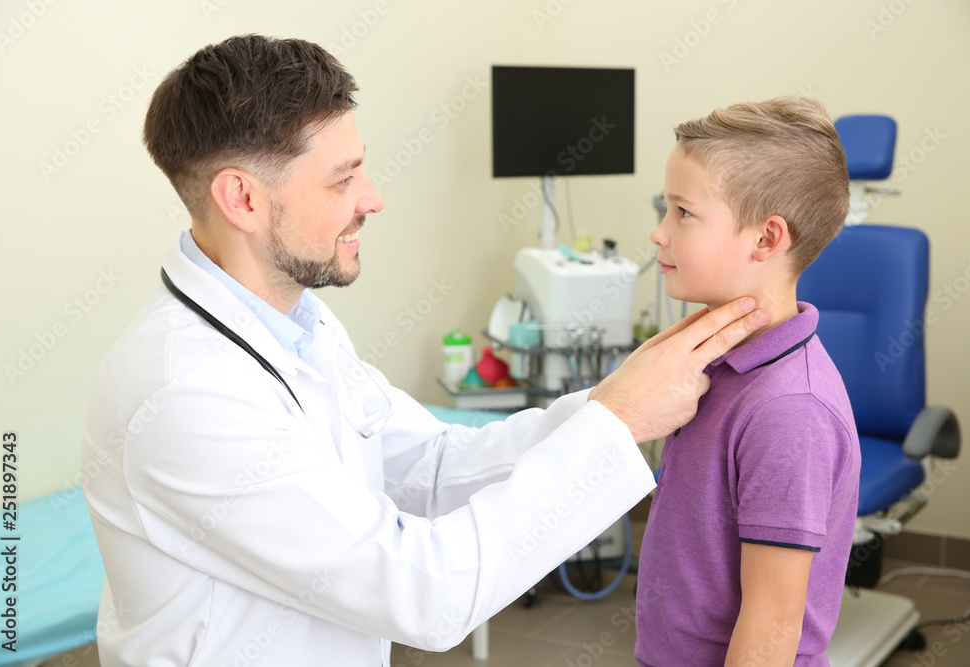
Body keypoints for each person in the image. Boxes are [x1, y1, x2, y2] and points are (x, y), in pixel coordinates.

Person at [81, 35, 769, 666]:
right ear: (242, 198)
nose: (373, 199)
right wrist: (619, 424)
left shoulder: (297, 323)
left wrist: (607, 404)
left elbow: (433, 467)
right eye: (342, 178)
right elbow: (426, 592)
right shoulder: (186, 392)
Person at [633, 97, 862, 666]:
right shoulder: (717, 362)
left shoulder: (790, 410)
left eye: (682, 213)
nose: (659, 233)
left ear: (765, 239)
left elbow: (771, 624)